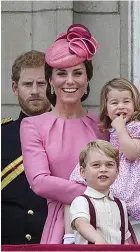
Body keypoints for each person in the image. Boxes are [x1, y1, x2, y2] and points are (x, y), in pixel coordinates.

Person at [20, 24, 106, 244]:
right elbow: (40, 181)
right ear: (50, 80)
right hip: (62, 226)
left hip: (108, 222)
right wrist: (93, 194)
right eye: (61, 73)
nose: (70, 81)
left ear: (87, 79)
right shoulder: (33, 125)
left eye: (77, 73)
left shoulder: (104, 124)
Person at [70, 78, 140, 231]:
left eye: (126, 101)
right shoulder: (112, 129)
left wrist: (121, 129)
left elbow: (132, 153)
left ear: (135, 105)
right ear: (106, 108)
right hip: (117, 170)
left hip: (132, 177)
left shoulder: (136, 126)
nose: (121, 106)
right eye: (114, 103)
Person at [1, 50, 50, 244]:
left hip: (53, 243)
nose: (35, 91)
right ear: (15, 87)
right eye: (27, 84)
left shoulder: (68, 132)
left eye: (41, 83)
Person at [70, 140, 131, 244]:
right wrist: (100, 242)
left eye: (109, 165)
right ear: (83, 172)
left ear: (117, 172)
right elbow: (81, 224)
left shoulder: (121, 205)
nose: (103, 169)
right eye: (96, 165)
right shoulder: (81, 201)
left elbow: (123, 239)